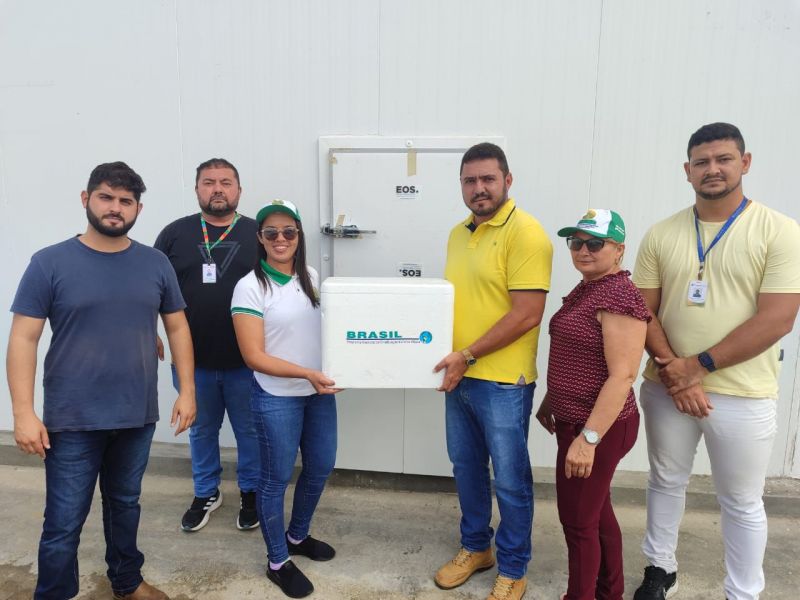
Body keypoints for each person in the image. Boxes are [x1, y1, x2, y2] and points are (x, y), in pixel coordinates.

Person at [7, 162, 196, 600]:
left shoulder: (155, 263)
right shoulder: (49, 262)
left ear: (138, 209)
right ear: (85, 199)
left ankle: (127, 582)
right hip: (72, 419)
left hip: (136, 415)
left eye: (126, 201)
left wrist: (187, 390)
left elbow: (177, 327)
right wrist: (22, 412)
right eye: (106, 197)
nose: (115, 208)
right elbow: (23, 338)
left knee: (125, 505)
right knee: (63, 522)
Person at [632, 123, 800, 600]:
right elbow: (641, 310)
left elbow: (778, 318)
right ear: (687, 171)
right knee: (665, 481)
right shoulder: (662, 233)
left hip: (742, 393)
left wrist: (698, 366)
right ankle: (661, 569)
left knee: (741, 501)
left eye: (724, 159)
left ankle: (742, 592)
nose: (713, 169)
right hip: (667, 386)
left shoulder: (780, 231)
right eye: (701, 162)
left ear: (744, 163)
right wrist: (677, 372)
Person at [433, 143, 553, 600]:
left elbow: (527, 314)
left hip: (504, 381)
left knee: (510, 480)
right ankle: (476, 547)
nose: (479, 188)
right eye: (470, 180)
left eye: (487, 178)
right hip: (460, 375)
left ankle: (514, 567)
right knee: (466, 468)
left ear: (507, 180)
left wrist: (467, 354)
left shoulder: (527, 233)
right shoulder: (457, 234)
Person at [536, 210, 649, 600]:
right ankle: (608, 592)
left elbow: (622, 376)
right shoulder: (589, 287)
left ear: (619, 250)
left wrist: (588, 439)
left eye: (596, 243)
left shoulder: (618, 296)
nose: (583, 250)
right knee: (597, 514)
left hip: (598, 428)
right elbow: (578, 354)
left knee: (578, 523)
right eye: (576, 242)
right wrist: (552, 398)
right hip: (576, 421)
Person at [231, 199, 338, 598]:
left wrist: (339, 369)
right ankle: (277, 561)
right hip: (277, 396)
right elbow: (253, 356)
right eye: (271, 232)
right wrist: (307, 373)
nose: (281, 238)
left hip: (317, 394)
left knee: (321, 466)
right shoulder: (250, 286)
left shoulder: (309, 276)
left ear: (298, 235)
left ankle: (297, 536)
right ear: (260, 238)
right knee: (274, 479)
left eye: (288, 231)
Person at [155, 158, 260, 532]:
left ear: (239, 190)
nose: (218, 189)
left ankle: (251, 492)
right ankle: (206, 492)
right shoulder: (174, 234)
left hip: (248, 361)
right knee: (200, 430)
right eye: (209, 182)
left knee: (250, 431)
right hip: (192, 361)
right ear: (197, 189)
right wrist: (148, 328)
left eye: (226, 182)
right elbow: (152, 286)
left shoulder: (258, 233)